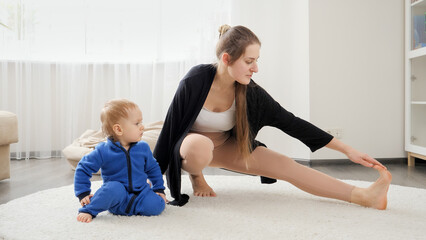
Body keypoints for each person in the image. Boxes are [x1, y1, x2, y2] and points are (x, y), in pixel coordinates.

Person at [153, 24, 392, 209]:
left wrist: (346, 150)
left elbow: (291, 122)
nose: (255, 68)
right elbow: (170, 132)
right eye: (249, 61)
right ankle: (197, 176)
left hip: (226, 146)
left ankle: (364, 197)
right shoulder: (195, 80)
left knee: (286, 165)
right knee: (200, 146)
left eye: (256, 60)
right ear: (226, 59)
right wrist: (155, 187)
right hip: (190, 146)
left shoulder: (251, 92)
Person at [74, 99, 167, 223]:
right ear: (118, 129)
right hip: (117, 195)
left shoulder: (143, 147)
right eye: (137, 123)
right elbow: (83, 168)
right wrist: (83, 192)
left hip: (140, 191)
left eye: (141, 122)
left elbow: (153, 168)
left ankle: (130, 206)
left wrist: (159, 189)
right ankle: (90, 209)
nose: (142, 126)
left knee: (157, 205)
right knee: (113, 189)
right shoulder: (103, 150)